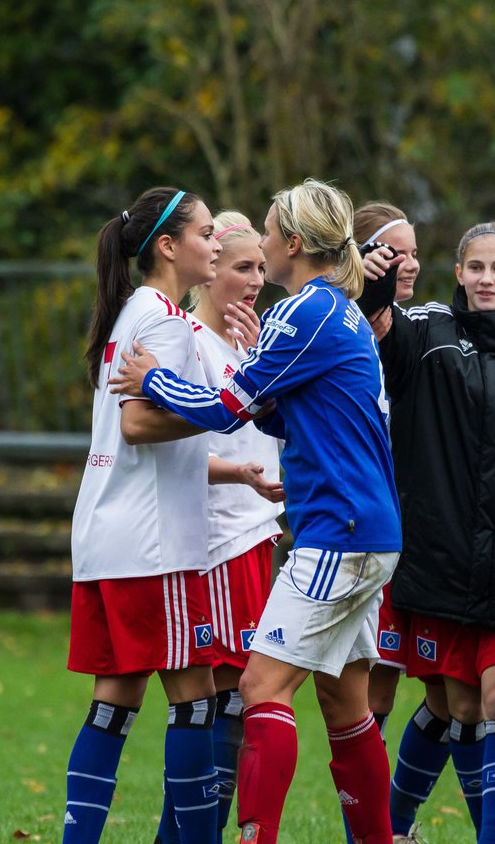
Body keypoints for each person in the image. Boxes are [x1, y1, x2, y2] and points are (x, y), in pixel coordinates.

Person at [110, 178, 402, 844]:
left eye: (268, 233)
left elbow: (225, 410)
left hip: (341, 533)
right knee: (344, 703)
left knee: (261, 688)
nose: (259, 243)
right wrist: (250, 367)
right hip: (367, 530)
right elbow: (282, 416)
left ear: (294, 244)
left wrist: (151, 377)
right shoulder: (330, 312)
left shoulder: (311, 312)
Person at [375, 220, 495, 843]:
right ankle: (392, 827)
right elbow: (380, 338)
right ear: (460, 273)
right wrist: (374, 283)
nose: (487, 279)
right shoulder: (427, 335)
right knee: (458, 708)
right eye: (476, 267)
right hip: (440, 559)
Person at [64, 186, 222, 844]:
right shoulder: (157, 318)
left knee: (116, 700)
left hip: (106, 535)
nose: (215, 243)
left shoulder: (139, 311)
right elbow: (136, 425)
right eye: (206, 233)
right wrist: (224, 407)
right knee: (198, 698)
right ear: (167, 246)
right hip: (154, 543)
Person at [154, 211, 286, 840]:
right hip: (213, 541)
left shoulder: (247, 345)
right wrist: (243, 482)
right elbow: (173, 452)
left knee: (234, 693)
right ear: (209, 274)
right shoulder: (187, 341)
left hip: (253, 535)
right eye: (242, 267)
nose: (256, 279)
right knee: (218, 695)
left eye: (261, 267)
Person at [353, 202, 452, 843]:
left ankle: (394, 822)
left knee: (447, 697)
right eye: (395, 251)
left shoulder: (430, 324)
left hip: (435, 537)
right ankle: (371, 831)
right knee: (375, 690)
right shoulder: (341, 325)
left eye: (415, 251)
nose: (410, 262)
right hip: (379, 532)